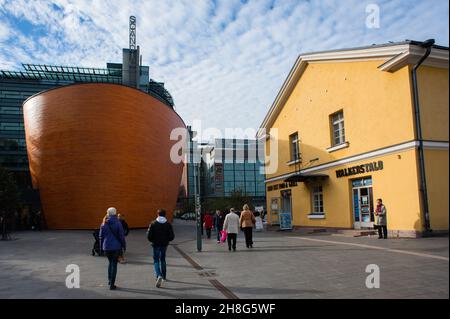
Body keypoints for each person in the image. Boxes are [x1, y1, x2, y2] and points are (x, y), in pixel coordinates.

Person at [99, 207, 126, 290]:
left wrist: (101, 247)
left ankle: (109, 280)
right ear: (115, 213)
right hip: (116, 247)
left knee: (110, 263)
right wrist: (124, 245)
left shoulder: (104, 223)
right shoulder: (118, 223)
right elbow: (121, 236)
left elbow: (101, 236)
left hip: (106, 247)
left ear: (108, 213)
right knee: (114, 264)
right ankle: (112, 284)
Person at [147, 209, 175, 288]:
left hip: (155, 244)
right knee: (162, 259)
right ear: (165, 215)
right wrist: (167, 240)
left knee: (156, 260)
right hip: (164, 244)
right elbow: (172, 236)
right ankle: (164, 277)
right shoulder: (168, 224)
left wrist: (152, 240)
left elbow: (149, 236)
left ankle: (158, 275)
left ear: (158, 214)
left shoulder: (153, 223)